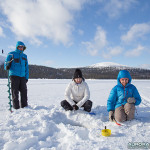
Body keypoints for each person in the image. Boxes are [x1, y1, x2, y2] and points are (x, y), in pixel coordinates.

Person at [4, 41, 29, 109]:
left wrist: (26, 77)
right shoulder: (11, 54)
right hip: (14, 75)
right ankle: (16, 108)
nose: (21, 48)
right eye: (20, 46)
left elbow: (26, 67)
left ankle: (24, 106)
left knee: (24, 92)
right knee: (15, 92)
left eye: (22, 47)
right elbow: (6, 63)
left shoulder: (25, 56)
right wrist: (7, 66)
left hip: (22, 76)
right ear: (17, 47)